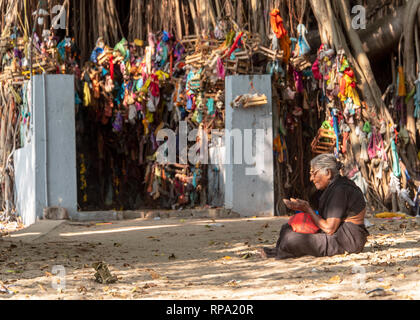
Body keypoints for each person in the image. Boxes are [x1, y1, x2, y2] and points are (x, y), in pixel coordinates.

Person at [260, 154, 369, 260]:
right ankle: (278, 250)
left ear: (328, 173)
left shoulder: (340, 189)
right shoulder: (333, 187)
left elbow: (329, 228)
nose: (311, 178)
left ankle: (282, 251)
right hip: (337, 233)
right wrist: (303, 209)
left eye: (314, 173)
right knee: (287, 228)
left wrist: (307, 208)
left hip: (348, 239)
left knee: (291, 239)